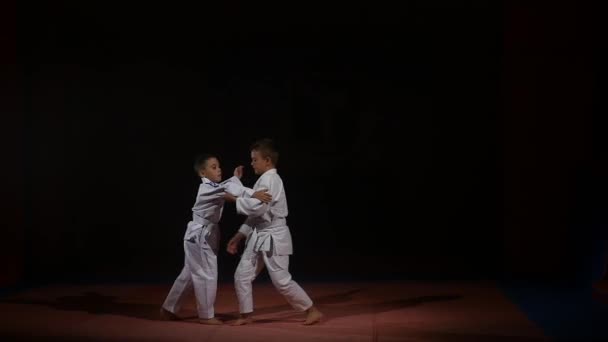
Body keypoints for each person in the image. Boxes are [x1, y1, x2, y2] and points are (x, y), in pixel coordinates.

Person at [160, 153, 271, 325]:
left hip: (203, 233)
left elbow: (225, 187)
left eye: (219, 166)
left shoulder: (212, 186)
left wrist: (235, 178)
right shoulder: (206, 188)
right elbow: (226, 191)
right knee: (206, 273)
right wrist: (253, 194)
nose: (219, 169)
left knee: (189, 273)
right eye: (214, 167)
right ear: (202, 173)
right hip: (200, 234)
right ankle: (206, 315)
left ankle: (169, 308)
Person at [227, 139, 323, 326]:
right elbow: (255, 217)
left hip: (274, 235)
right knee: (242, 275)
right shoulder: (263, 180)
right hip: (259, 235)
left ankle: (312, 310)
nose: (252, 163)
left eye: (255, 160)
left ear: (268, 161)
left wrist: (232, 196)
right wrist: (238, 236)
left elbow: (256, 210)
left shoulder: (271, 180)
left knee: (281, 281)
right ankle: (246, 315)